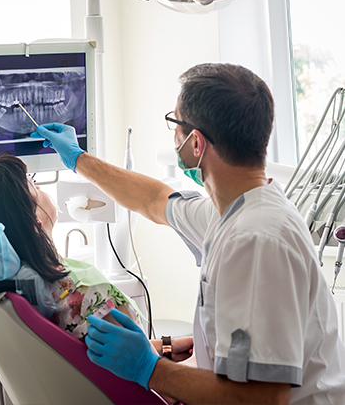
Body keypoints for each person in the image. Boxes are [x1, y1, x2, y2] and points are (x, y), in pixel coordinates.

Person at [30, 63, 345, 404]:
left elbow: (262, 398)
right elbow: (153, 199)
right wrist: (77, 159)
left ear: (196, 143)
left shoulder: (256, 240)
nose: (173, 134)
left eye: (175, 123)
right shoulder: (231, 210)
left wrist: (150, 369)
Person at [0, 154, 140, 340]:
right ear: (34, 221)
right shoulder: (90, 298)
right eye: (34, 185)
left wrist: (170, 344)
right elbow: (144, 370)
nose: (42, 188)